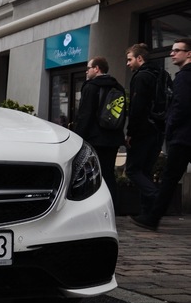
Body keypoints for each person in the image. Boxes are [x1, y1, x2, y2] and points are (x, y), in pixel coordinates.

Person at [131, 38, 191, 230]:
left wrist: (170, 128)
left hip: (182, 136)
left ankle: (152, 218)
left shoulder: (183, 77)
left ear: (188, 54)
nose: (172, 53)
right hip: (184, 134)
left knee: (169, 178)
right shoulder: (177, 76)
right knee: (169, 178)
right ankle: (152, 217)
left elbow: (180, 107)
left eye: (177, 50)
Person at [73, 56, 125, 208]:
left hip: (95, 139)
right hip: (113, 138)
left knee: (93, 175)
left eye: (88, 68)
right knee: (109, 173)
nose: (86, 71)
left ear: (97, 69)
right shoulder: (118, 87)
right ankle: (113, 206)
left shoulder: (91, 87)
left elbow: (85, 115)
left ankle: (95, 207)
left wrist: (78, 137)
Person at [124, 43, 164, 216]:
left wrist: (130, 133)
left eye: (129, 59)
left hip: (143, 130)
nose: (127, 63)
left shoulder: (141, 77)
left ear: (139, 58)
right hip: (159, 129)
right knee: (145, 171)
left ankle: (156, 197)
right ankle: (148, 212)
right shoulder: (161, 74)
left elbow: (137, 107)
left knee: (133, 170)